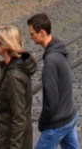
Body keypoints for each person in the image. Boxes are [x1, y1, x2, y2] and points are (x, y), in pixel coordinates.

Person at [27, 12, 78, 149]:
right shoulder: (60, 49)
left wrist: (43, 122)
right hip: (70, 116)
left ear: (42, 32)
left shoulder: (50, 61)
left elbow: (51, 98)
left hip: (58, 123)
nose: (30, 37)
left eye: (33, 34)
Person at [0, 25, 37, 149]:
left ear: (4, 46)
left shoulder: (14, 76)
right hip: (8, 137)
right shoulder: (11, 68)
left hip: (12, 141)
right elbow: (6, 106)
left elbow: (19, 118)